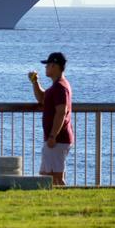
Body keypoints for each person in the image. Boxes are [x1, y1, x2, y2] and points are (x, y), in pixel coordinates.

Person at [28, 52, 74, 186]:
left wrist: (53, 136)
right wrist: (35, 82)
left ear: (54, 66)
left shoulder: (60, 87)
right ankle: (52, 201)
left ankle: (62, 203)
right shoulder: (56, 86)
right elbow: (42, 98)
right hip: (54, 140)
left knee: (55, 179)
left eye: (47, 65)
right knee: (46, 176)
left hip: (57, 140)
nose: (45, 68)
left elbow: (61, 112)